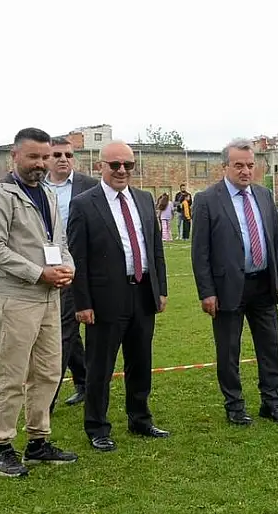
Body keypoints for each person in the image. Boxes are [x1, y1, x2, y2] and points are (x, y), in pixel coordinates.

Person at [0, 127, 78, 477]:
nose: (41, 163)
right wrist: (38, 273)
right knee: (12, 374)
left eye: (45, 157)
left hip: (51, 296)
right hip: (16, 297)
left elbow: (60, 241)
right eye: (33, 156)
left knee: (48, 373)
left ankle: (38, 441)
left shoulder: (48, 194)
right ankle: (2, 447)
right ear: (15, 156)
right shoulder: (0, 196)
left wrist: (68, 268)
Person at [67, 140, 171, 452]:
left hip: (142, 293)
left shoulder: (143, 198)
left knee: (141, 360)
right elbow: (77, 258)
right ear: (100, 166)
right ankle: (97, 426)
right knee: (100, 366)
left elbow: (155, 248)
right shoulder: (85, 204)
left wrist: (160, 288)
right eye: (115, 165)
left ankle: (140, 418)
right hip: (104, 299)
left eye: (128, 164)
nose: (122, 170)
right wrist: (82, 302)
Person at [192, 139, 278, 427]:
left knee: (270, 346)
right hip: (227, 289)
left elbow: (275, 241)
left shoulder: (263, 195)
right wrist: (207, 292)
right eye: (239, 165)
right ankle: (234, 405)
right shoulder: (208, 199)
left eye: (250, 165)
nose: (246, 171)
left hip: (263, 284)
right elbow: (200, 252)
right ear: (225, 167)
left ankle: (272, 403)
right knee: (228, 350)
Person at [43, 137, 99, 411]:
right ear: (47, 158)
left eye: (68, 154)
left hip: (78, 268)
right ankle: (84, 382)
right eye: (57, 154)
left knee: (62, 330)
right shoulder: (36, 186)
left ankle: (47, 398)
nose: (63, 159)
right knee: (69, 331)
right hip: (44, 267)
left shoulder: (89, 186)